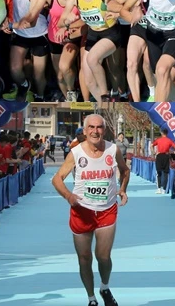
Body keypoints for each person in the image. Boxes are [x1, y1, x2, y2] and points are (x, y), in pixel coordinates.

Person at [51, 114, 130, 306]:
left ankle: (104, 287)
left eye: (99, 127)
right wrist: (68, 196)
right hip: (81, 211)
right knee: (84, 258)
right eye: (91, 127)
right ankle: (91, 298)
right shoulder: (76, 152)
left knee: (103, 257)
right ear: (85, 131)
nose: (95, 131)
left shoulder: (112, 149)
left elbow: (125, 170)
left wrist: (122, 189)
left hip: (106, 210)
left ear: (104, 130)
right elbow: (57, 179)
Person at [152, 127, 175, 194]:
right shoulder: (169, 140)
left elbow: (152, 145)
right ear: (167, 133)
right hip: (166, 156)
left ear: (162, 133)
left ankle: (159, 188)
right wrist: (172, 153)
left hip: (159, 156)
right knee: (166, 173)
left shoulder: (158, 140)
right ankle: (164, 189)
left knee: (158, 172)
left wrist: (153, 152)